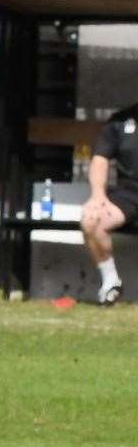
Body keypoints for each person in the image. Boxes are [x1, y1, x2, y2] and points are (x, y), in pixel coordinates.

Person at [79, 106, 138, 305]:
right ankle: (111, 281)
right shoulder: (119, 121)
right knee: (91, 219)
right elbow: (99, 160)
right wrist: (97, 195)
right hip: (129, 194)